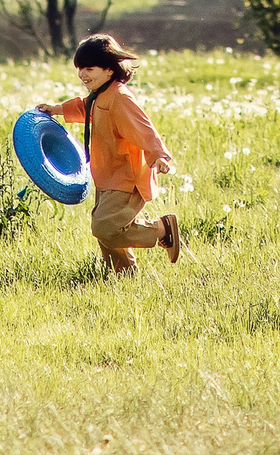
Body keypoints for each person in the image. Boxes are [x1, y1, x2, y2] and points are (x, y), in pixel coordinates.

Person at [39, 33, 181, 275]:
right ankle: (124, 274)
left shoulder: (120, 98)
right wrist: (57, 109)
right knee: (107, 228)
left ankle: (161, 230)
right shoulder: (101, 94)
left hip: (127, 178)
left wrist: (159, 156)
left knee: (106, 227)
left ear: (109, 69)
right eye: (80, 69)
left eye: (89, 68)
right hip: (108, 176)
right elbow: (86, 107)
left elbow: (144, 128)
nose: (83, 75)